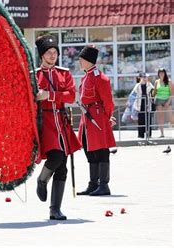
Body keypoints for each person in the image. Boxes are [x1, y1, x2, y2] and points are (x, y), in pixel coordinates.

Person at [34, 35, 81, 220]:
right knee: (56, 156)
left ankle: (55, 209)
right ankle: (42, 179)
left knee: (62, 168)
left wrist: (50, 95)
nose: (53, 56)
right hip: (44, 122)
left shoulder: (64, 73)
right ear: (42, 55)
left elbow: (71, 96)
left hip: (61, 121)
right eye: (49, 53)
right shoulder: (34, 74)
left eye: (55, 52)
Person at [76, 45, 116, 196]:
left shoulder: (100, 77)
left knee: (101, 150)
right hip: (87, 116)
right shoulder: (86, 75)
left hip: (97, 116)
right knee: (89, 148)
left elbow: (108, 101)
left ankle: (104, 185)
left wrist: (106, 117)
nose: (79, 62)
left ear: (88, 61)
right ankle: (93, 183)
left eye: (81, 59)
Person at [131, 72, 155, 138]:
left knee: (148, 120)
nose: (145, 78)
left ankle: (148, 134)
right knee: (141, 120)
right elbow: (133, 94)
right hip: (140, 105)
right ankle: (140, 135)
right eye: (143, 77)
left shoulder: (150, 84)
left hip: (147, 104)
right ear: (140, 78)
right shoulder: (137, 85)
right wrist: (130, 102)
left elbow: (153, 93)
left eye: (146, 77)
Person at [153, 68, 173, 138]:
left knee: (171, 118)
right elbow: (154, 92)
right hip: (158, 100)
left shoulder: (169, 82)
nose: (161, 74)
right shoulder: (156, 82)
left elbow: (172, 94)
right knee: (160, 117)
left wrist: (168, 102)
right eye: (160, 73)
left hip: (167, 100)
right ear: (158, 74)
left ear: (165, 73)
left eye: (162, 73)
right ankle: (162, 133)